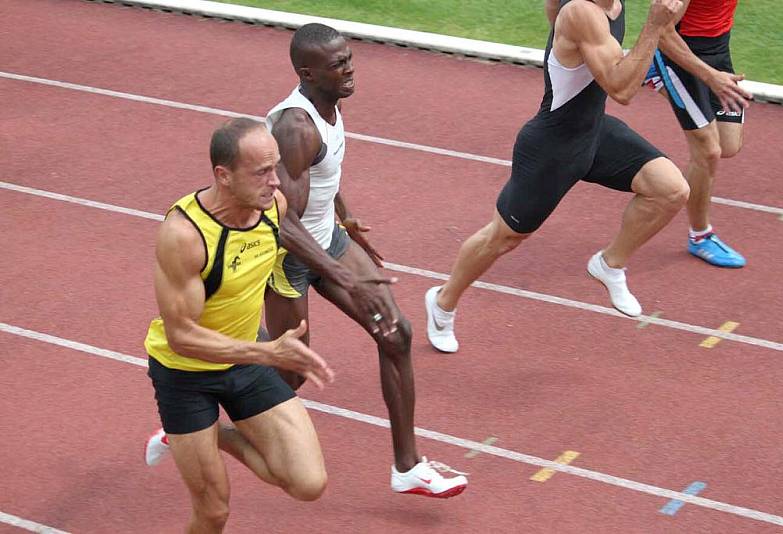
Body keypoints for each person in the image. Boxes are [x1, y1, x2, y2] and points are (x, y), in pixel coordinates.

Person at [264, 23, 468, 498]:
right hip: (287, 258)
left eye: (350, 58)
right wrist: (335, 271)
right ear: (307, 72)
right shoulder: (295, 126)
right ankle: (202, 389)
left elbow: (322, 174)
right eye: (339, 65)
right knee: (290, 374)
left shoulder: (328, 105)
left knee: (396, 333)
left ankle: (408, 467)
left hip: (330, 240)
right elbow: (282, 221)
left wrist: (347, 218)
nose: (350, 69)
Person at [426, 0, 691, 353]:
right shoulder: (581, 12)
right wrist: (654, 25)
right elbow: (622, 89)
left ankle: (609, 264)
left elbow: (554, 12)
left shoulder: (610, 4)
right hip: (552, 145)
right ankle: (442, 303)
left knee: (670, 190)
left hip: (594, 132)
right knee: (503, 238)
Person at [142, 118, 335, 533]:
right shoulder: (184, 235)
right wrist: (267, 352)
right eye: (262, 172)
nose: (276, 182)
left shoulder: (273, 209)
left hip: (246, 361)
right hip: (185, 374)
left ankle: (208, 435)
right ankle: (190, 432)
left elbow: (283, 253)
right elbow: (182, 337)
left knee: (308, 483)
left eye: (276, 168)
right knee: (213, 512)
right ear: (223, 176)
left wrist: (346, 259)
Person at [644, 0, 751, 267]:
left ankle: (649, 71)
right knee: (708, 151)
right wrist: (710, 77)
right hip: (678, 53)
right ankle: (700, 236)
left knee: (728, 145)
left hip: (718, 49)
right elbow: (663, 32)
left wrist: (716, 72)